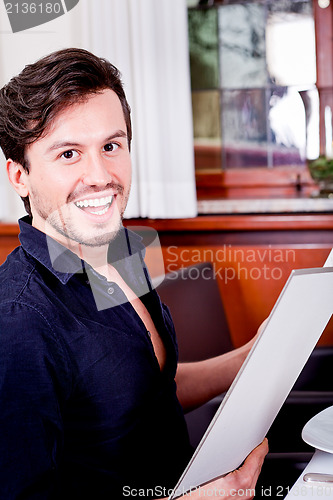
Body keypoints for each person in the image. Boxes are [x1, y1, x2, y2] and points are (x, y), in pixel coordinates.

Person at [0, 48, 268, 499]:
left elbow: (149, 389)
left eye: (111, 146)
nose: (101, 175)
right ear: (20, 176)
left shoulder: (118, 248)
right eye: (68, 154)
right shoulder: (19, 322)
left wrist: (251, 359)